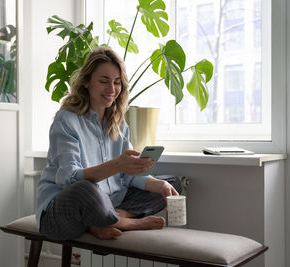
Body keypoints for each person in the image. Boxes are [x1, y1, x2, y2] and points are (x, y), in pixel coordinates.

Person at [36, 46, 181, 241]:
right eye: (104, 81)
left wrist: (158, 184)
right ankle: (123, 221)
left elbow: (129, 178)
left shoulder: (119, 124)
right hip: (61, 212)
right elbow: (68, 178)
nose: (112, 90)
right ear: (86, 81)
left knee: (171, 184)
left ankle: (107, 219)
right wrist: (117, 165)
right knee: (85, 189)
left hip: (106, 204)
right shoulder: (66, 120)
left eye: (117, 82)